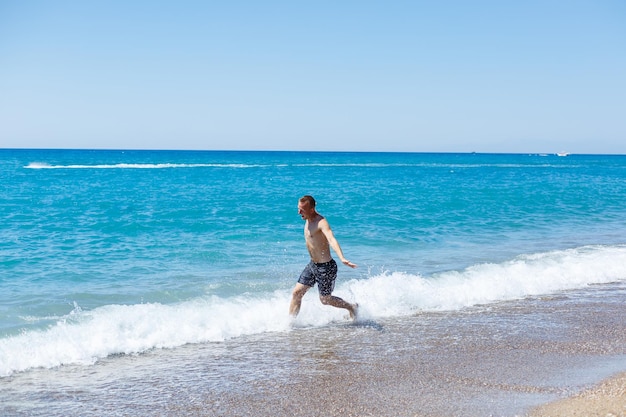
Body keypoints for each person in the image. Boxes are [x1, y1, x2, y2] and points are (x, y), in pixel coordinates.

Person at [289, 195, 358, 319]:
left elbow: (331, 238)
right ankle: (289, 324)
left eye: (302, 210)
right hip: (312, 265)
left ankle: (351, 307)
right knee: (296, 293)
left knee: (325, 300)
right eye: (298, 208)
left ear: (311, 209)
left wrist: (342, 257)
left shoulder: (321, 222)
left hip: (326, 267)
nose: (299, 212)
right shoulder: (307, 218)